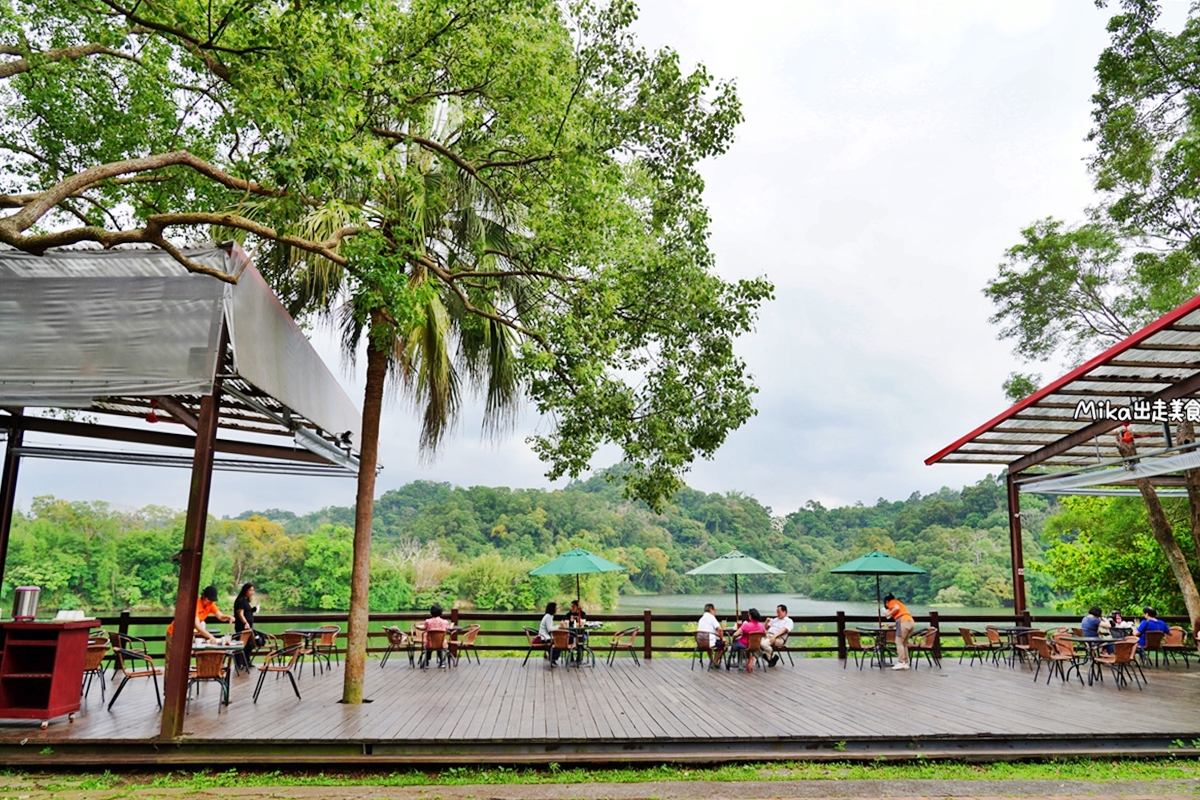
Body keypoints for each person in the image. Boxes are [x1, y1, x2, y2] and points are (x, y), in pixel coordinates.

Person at [166, 585, 233, 645]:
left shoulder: (211, 605)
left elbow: (221, 617)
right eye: (209, 600)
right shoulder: (196, 605)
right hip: (175, 632)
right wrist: (210, 636)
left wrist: (227, 617)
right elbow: (197, 625)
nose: (211, 602)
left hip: (186, 634)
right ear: (204, 596)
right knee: (173, 657)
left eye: (212, 600)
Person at [233, 582, 265, 667]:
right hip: (243, 627)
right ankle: (239, 663)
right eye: (250, 590)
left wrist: (254, 609)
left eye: (253, 590)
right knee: (241, 644)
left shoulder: (246, 601)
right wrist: (245, 622)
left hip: (249, 626)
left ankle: (246, 661)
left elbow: (248, 612)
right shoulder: (240, 601)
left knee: (249, 645)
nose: (252, 592)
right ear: (245, 590)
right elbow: (240, 614)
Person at [884, 593, 914, 670]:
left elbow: (896, 608)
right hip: (910, 621)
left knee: (899, 642)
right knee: (904, 643)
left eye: (886, 605)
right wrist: (893, 625)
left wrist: (888, 614)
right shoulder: (900, 603)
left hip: (903, 621)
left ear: (887, 601)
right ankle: (905, 662)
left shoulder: (892, 602)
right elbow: (900, 617)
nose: (888, 607)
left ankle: (901, 662)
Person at [697, 603, 726, 668]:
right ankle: (715, 662)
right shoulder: (711, 617)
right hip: (709, 642)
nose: (715, 612)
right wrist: (722, 638)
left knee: (709, 643)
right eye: (714, 610)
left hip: (701, 643)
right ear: (711, 609)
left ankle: (711, 660)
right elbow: (720, 629)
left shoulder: (701, 619)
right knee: (724, 645)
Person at [535, 602, 561, 666]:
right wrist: (559, 626)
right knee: (559, 642)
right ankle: (553, 658)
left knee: (558, 641)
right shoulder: (548, 617)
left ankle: (553, 658)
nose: (557, 609)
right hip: (544, 637)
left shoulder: (548, 616)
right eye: (556, 608)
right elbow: (550, 629)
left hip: (545, 636)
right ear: (553, 609)